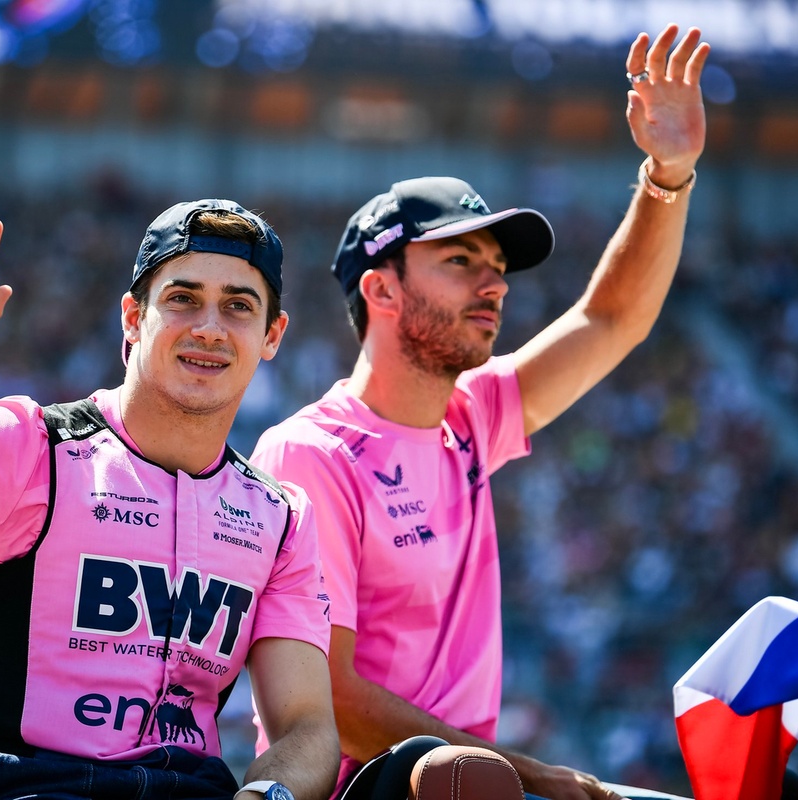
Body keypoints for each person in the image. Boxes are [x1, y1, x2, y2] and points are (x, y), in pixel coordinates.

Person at [249, 24, 710, 800]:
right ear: (382, 289)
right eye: (461, 261)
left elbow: (611, 319)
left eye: (497, 267)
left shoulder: (469, 415)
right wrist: (533, 776)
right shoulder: (310, 455)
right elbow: (330, 704)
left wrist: (669, 175)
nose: (494, 285)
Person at [0, 198, 340, 800]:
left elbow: (307, 729)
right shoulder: (25, 445)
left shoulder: (280, 517)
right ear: (132, 318)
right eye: (182, 298)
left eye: (238, 306)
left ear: (272, 335)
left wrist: (263, 796)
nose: (209, 327)